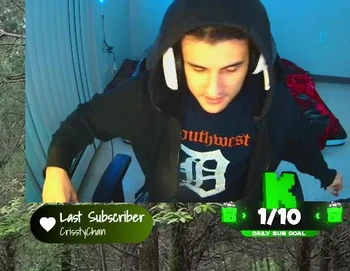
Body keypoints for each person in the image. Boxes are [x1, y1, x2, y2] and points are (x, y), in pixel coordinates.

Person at [42, 0, 343, 204]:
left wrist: (326, 175)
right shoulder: (145, 95)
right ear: (175, 62)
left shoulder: (275, 103)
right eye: (198, 68)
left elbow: (299, 144)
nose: (214, 89)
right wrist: (56, 168)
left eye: (231, 69)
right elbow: (83, 121)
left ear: (255, 63)